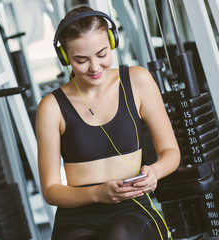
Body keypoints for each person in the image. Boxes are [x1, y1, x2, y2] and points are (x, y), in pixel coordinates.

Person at [35, 6, 180, 240]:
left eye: (102, 55)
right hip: (76, 216)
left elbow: (171, 152)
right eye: (81, 60)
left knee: (118, 236)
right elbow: (51, 190)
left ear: (112, 42)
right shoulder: (51, 107)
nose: (94, 67)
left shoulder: (138, 81)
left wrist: (155, 172)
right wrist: (97, 194)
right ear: (65, 58)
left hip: (130, 208)